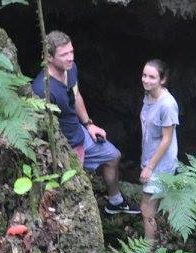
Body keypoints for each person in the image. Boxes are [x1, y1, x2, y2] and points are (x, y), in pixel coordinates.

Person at [31, 31, 139, 215]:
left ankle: (115, 201)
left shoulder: (71, 68)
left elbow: (76, 95)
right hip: (65, 147)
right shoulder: (43, 89)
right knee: (74, 189)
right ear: (48, 57)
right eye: (64, 54)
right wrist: (69, 153)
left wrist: (89, 124)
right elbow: (45, 129)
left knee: (113, 156)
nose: (70, 57)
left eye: (71, 52)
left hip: (80, 133)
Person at [139, 59, 179, 246]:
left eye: (152, 77)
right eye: (144, 75)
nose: (146, 80)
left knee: (147, 208)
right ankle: (168, 244)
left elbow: (166, 140)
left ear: (162, 80)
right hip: (149, 157)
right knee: (161, 205)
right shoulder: (148, 96)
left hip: (160, 163)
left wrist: (149, 167)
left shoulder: (167, 104)